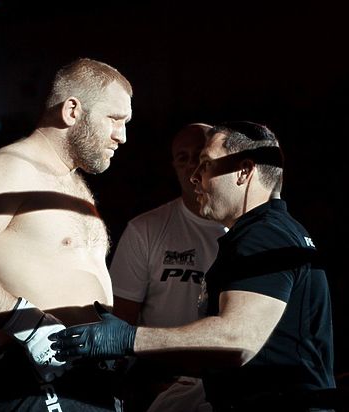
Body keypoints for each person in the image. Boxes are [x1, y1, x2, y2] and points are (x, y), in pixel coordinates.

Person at [50, 121, 336, 411]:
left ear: (244, 171)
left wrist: (127, 339)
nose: (195, 176)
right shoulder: (272, 231)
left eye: (206, 164)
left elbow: (236, 340)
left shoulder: (264, 235)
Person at [0, 57, 132, 411]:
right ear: (72, 111)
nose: (121, 136)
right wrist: (30, 327)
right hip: (39, 379)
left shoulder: (74, 185)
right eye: (114, 119)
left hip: (94, 378)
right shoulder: (12, 168)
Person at [110, 123, 225, 411]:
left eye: (200, 155)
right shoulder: (145, 230)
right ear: (174, 166)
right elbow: (121, 321)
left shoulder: (246, 231)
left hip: (227, 384)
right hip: (162, 382)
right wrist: (145, 382)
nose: (192, 166)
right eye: (182, 158)